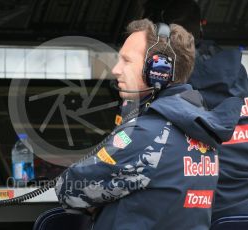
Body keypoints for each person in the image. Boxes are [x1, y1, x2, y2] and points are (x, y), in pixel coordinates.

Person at [54, 18, 242, 229]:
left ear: (158, 70)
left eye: (126, 60)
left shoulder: (145, 133)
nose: (116, 69)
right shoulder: (202, 127)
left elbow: (69, 188)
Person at [144, 0, 248, 222]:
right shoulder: (238, 76)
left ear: (159, 37)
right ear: (201, 26)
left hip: (199, 215)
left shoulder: (166, 85)